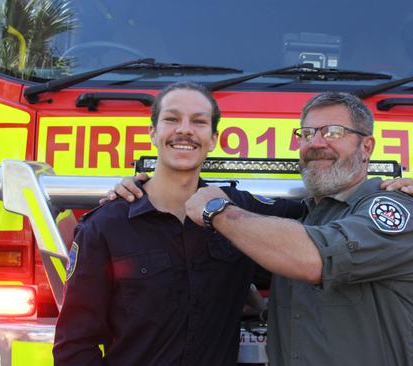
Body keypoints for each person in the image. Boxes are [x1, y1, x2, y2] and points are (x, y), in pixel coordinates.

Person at [53, 82, 305, 365]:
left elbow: (313, 218)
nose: (184, 129)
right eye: (172, 119)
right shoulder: (105, 227)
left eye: (198, 122)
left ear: (212, 139)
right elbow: (74, 345)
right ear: (153, 133)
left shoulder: (239, 211)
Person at [184, 92, 413, 366]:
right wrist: (139, 189)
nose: (315, 143)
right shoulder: (304, 218)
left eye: (333, 132)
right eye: (307, 133)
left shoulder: (393, 207)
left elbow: (314, 259)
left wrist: (217, 211)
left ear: (367, 146)